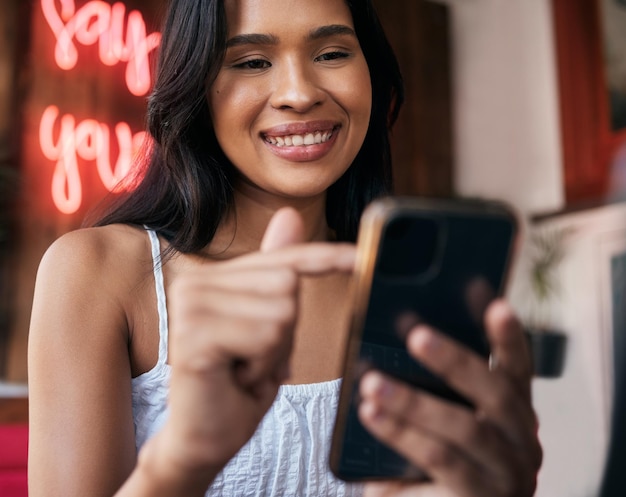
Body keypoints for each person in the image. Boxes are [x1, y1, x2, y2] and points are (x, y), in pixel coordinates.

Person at [27, 0, 542, 496]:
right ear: (195, 85)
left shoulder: (414, 299)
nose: (298, 93)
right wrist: (182, 459)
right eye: (251, 61)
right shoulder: (98, 272)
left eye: (333, 53)